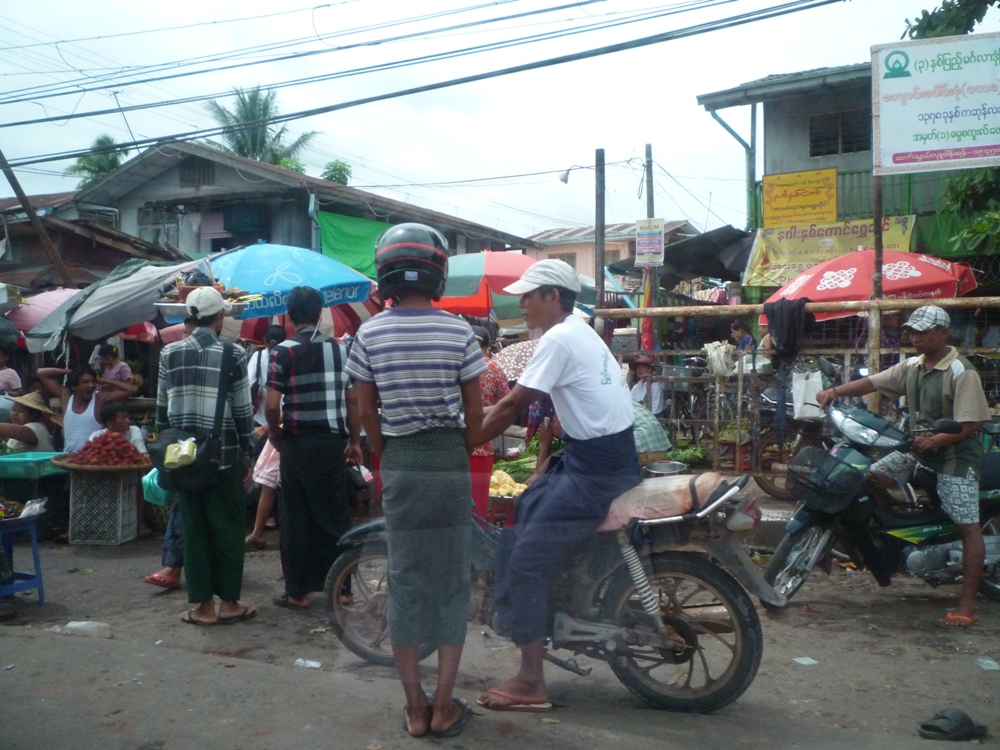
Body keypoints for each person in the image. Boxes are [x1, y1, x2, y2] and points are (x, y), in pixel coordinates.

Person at [475, 259, 640, 712]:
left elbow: (511, 406)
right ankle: (552, 605)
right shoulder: (579, 331)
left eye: (529, 295)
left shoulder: (559, 339)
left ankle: (531, 681)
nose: (521, 303)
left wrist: (460, 446)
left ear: (552, 296)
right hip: (602, 459)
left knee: (525, 559)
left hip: (596, 470)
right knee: (526, 505)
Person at [345, 223, 484, 738]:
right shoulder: (459, 332)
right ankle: (444, 705)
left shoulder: (369, 334)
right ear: (437, 273)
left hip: (400, 462)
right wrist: (454, 452)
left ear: (386, 273)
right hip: (449, 463)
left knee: (405, 581)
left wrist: (391, 454)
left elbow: (366, 413)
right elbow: (475, 415)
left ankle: (415, 709)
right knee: (451, 584)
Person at [815, 305, 991, 628]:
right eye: (912, 332)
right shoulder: (913, 366)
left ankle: (968, 606)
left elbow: (971, 423)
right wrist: (833, 392)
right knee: (865, 478)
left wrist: (936, 441)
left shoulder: (961, 371)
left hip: (954, 459)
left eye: (923, 332)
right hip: (916, 448)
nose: (915, 338)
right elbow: (871, 383)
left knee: (968, 528)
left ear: (943, 333)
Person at [156, 287, 256, 627]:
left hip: (183, 458)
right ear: (220, 317)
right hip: (224, 455)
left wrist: (166, 450)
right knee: (228, 528)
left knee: (194, 529)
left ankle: (203, 608)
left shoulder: (169, 353)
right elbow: (243, 411)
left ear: (189, 317)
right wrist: (248, 454)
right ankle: (229, 603)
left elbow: (162, 410)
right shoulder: (234, 353)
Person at [266, 286, 362, 612]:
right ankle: (342, 589)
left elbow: (271, 405)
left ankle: (298, 592)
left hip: (296, 443)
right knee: (334, 513)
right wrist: (354, 441)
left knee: (296, 516)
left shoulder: (282, 352)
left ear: (289, 316)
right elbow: (353, 401)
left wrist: (275, 433)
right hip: (331, 443)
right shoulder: (340, 350)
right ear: (320, 313)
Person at [37, 365, 136, 453]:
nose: (91, 385)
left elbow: (132, 389)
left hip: (91, 458)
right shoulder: (66, 397)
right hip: (68, 456)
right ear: (74, 386)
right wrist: (72, 372)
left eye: (93, 381)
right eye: (86, 382)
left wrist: (105, 381)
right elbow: (41, 373)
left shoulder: (99, 399)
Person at [90, 401, 152, 538]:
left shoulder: (133, 431)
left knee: (141, 479)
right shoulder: (96, 436)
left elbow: (142, 455)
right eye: (123, 418)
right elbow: (91, 457)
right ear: (110, 423)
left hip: (130, 475)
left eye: (127, 417)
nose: (128, 421)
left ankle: (139, 522)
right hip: (103, 477)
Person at [470, 325, 509, 522]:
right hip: (484, 445)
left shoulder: (454, 367)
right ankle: (478, 535)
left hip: (455, 444)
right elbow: (508, 406)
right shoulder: (495, 369)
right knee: (478, 499)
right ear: (487, 347)